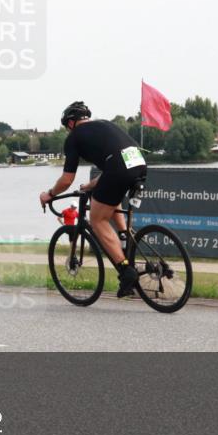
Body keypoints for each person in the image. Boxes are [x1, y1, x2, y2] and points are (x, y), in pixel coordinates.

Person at [39, 101, 147, 297]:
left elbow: (66, 180)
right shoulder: (104, 124)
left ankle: (126, 270)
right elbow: (114, 164)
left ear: (70, 123)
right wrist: (90, 185)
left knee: (97, 220)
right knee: (110, 198)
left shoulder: (74, 138)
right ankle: (124, 237)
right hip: (139, 163)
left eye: (66, 126)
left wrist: (50, 194)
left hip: (118, 168)